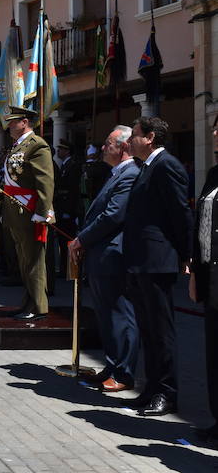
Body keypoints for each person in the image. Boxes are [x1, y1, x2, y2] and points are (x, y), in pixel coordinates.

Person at [121, 116, 192, 416]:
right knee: (148, 330)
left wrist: (188, 257)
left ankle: (167, 392)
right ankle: (151, 388)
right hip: (141, 262)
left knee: (161, 331)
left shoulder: (167, 166)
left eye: (135, 135)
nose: (130, 141)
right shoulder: (147, 167)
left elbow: (180, 214)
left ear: (150, 138)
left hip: (157, 261)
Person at [68, 125, 140, 393]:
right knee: (106, 315)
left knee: (120, 315)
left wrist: (81, 239)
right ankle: (112, 365)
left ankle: (124, 372)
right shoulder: (116, 173)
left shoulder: (130, 173)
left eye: (107, 143)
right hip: (101, 253)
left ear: (122, 147)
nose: (101, 148)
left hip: (114, 253)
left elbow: (113, 215)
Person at [1, 106, 55, 320]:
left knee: (33, 260)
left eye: (13, 121)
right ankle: (29, 300)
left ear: (24, 122)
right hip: (16, 211)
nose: (9, 126)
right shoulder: (17, 146)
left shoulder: (37, 145)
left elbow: (45, 181)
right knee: (24, 260)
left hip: (30, 210)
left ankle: (38, 306)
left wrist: (42, 212)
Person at [190, 113, 218, 443]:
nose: (215, 132)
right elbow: (199, 223)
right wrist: (194, 270)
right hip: (210, 276)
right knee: (213, 353)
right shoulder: (212, 174)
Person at [54, 140, 82, 287]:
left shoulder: (73, 166)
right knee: (63, 243)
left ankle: (72, 271)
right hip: (62, 208)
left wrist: (68, 211)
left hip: (68, 210)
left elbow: (72, 191)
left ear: (67, 151)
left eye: (61, 149)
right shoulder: (65, 165)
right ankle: (66, 270)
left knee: (69, 241)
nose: (58, 152)